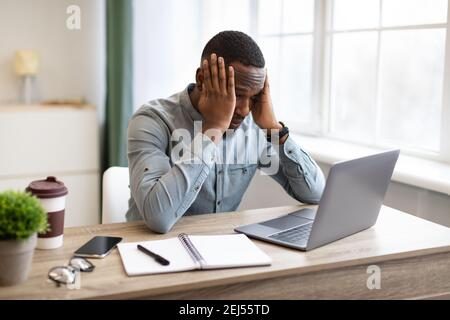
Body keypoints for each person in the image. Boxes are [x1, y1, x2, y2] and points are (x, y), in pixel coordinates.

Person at [126, 30, 325, 233]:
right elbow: (158, 218)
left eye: (254, 98)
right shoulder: (152, 120)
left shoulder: (255, 127)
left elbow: (316, 195)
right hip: (150, 250)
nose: (245, 110)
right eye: (237, 94)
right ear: (202, 79)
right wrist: (212, 129)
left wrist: (276, 131)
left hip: (222, 248)